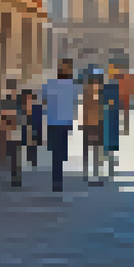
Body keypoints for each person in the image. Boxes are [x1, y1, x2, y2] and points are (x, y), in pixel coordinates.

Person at [40, 59, 82, 192]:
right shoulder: (52, 84)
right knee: (57, 153)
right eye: (63, 68)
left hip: (63, 122)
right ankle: (57, 181)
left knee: (60, 153)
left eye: (66, 68)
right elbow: (43, 100)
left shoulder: (72, 86)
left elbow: (75, 102)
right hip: (54, 122)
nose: (64, 70)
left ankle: (57, 179)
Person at [78, 69, 105, 185]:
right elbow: (83, 108)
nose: (96, 84)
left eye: (98, 81)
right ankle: (86, 172)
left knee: (96, 150)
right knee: (87, 150)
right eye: (94, 81)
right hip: (88, 125)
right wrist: (82, 123)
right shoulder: (87, 93)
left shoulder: (102, 93)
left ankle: (96, 173)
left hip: (99, 124)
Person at [101, 64, 122, 182]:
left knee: (109, 143)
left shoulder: (109, 88)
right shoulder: (112, 88)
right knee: (109, 143)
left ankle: (109, 165)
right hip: (110, 116)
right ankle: (109, 165)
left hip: (109, 116)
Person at [0, 78, 22, 187]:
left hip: (17, 131)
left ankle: (16, 177)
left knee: (16, 155)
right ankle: (15, 175)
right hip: (9, 131)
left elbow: (23, 115)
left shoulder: (19, 101)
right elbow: (3, 115)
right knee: (12, 153)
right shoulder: (7, 100)